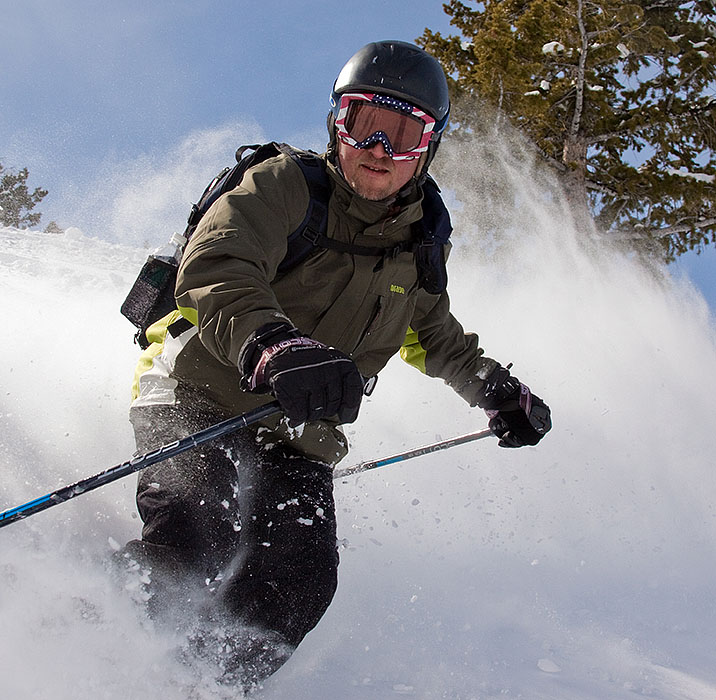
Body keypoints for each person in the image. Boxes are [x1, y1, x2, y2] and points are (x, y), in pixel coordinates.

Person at [123, 40, 552, 690]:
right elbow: (217, 267)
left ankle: (202, 681)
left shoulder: (419, 251)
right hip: (195, 390)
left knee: (299, 577)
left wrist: (496, 389)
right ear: (336, 124)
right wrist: (271, 345)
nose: (379, 148)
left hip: (297, 432)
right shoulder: (283, 185)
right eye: (363, 123)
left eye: (404, 133)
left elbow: (435, 339)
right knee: (194, 538)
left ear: (429, 146)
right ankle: (105, 644)